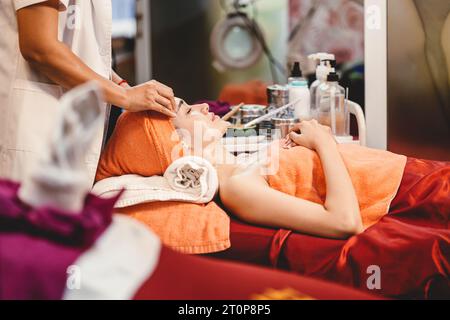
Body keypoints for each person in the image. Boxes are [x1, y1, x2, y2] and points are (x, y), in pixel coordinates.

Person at [95, 102, 417, 240]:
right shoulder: (237, 187)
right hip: (412, 193)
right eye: (188, 110)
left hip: (412, 173)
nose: (205, 107)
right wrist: (324, 142)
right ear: (176, 142)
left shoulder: (244, 162)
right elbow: (344, 223)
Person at [0, 0, 177, 184]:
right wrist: (125, 97)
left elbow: (83, 49)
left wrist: (122, 86)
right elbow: (39, 47)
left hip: (68, 139)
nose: (205, 108)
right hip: (31, 131)